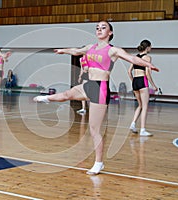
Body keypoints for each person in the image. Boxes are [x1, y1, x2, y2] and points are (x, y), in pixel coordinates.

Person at [33, 21, 159, 175]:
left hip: (100, 88)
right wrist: (63, 50)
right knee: (67, 94)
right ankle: (46, 99)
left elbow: (132, 59)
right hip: (89, 85)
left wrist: (148, 66)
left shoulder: (113, 50)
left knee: (94, 129)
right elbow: (77, 51)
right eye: (97, 28)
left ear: (110, 33)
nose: (99, 29)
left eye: (103, 27)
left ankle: (99, 163)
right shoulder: (90, 47)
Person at [128, 40, 158, 136]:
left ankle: (133, 124)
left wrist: (133, 81)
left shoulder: (135, 57)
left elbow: (129, 71)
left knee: (140, 105)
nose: (151, 48)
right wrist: (153, 85)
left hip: (135, 81)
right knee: (145, 106)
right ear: (147, 47)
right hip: (142, 80)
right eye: (150, 47)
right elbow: (147, 73)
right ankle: (143, 130)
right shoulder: (147, 57)